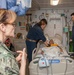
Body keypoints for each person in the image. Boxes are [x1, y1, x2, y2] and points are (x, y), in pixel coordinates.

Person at [0, 9, 27, 75]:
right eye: (13, 24)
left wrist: (14, 61)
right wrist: (23, 64)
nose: (14, 27)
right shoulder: (6, 56)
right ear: (3, 27)